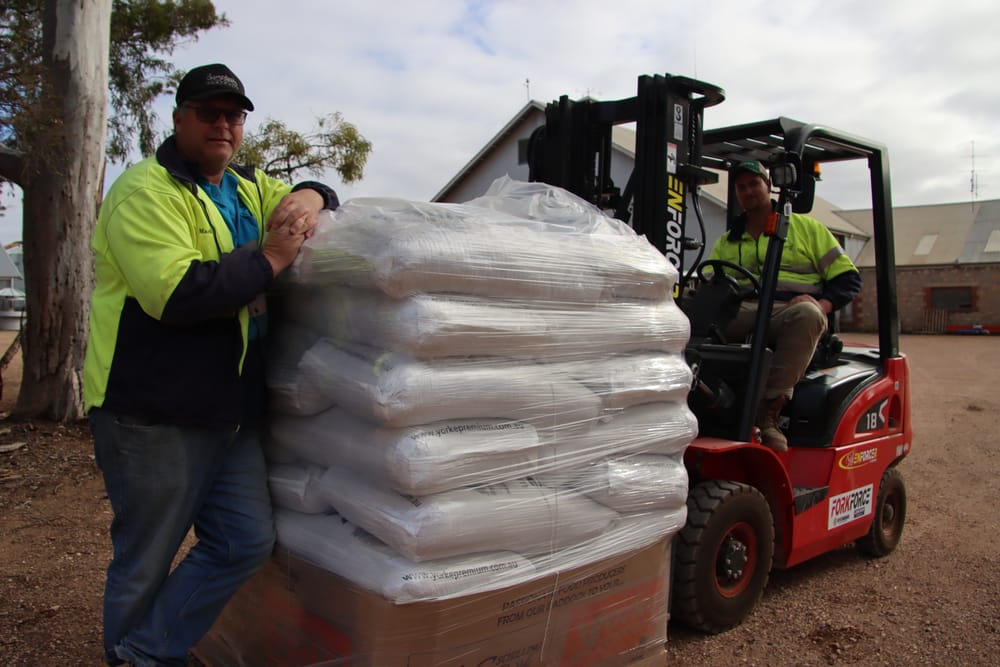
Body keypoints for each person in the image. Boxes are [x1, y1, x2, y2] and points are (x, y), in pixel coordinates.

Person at [83, 63, 340, 666]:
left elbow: (317, 202)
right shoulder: (144, 191)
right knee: (144, 559)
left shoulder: (248, 187)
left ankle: (144, 652)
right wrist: (273, 258)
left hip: (227, 408)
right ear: (180, 120)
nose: (222, 124)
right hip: (151, 410)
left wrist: (310, 194)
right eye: (209, 113)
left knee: (244, 541)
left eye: (233, 115)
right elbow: (176, 293)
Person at [707, 160, 861, 452]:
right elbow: (710, 282)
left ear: (768, 186)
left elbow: (848, 279)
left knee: (808, 314)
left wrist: (822, 303)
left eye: (754, 184)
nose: (748, 191)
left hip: (786, 312)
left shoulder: (805, 228)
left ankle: (766, 414)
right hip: (742, 310)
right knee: (688, 314)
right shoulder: (730, 239)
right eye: (742, 187)